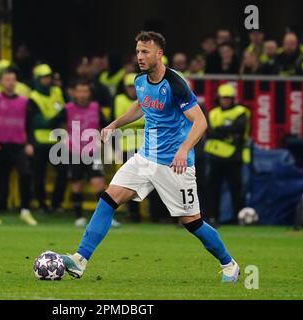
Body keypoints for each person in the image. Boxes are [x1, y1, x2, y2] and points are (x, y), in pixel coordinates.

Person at [59, 31, 240, 283]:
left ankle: (229, 264)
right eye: (138, 52)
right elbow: (140, 106)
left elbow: (200, 122)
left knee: (192, 223)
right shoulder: (140, 80)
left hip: (174, 165)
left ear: (159, 53)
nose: (140, 57)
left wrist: (184, 148)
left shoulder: (176, 84)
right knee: (108, 199)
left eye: (145, 52)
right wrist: (115, 124)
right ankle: (80, 260)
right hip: (144, 158)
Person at [51, 79, 120, 228]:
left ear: (89, 93)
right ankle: (79, 217)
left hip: (92, 152)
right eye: (79, 91)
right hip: (73, 152)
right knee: (77, 184)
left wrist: (103, 141)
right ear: (74, 93)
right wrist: (62, 138)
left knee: (99, 184)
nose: (82, 94)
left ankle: (106, 218)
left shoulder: (95, 108)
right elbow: (54, 124)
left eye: (85, 91)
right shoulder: (68, 108)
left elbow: (106, 125)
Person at [0, 68, 37, 226]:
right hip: (0, 145)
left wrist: (29, 143)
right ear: (1, 82)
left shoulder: (23, 101)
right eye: (7, 79)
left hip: (18, 145)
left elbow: (29, 124)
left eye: (12, 79)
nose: (10, 82)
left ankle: (25, 211)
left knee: (26, 174)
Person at [204, 84, 250, 227]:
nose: (226, 101)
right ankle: (213, 218)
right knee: (213, 189)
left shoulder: (240, 111)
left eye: (229, 98)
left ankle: (238, 217)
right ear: (219, 98)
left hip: (233, 156)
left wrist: (220, 131)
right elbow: (210, 132)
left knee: (236, 188)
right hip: (214, 155)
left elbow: (239, 129)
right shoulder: (213, 113)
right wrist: (227, 133)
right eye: (224, 98)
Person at [29, 63, 68, 213]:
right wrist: (58, 117)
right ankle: (41, 204)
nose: (47, 80)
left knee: (63, 172)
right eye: (44, 78)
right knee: (39, 175)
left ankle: (56, 203)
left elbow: (67, 111)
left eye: (48, 77)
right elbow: (40, 122)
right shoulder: (33, 97)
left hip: (57, 140)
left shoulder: (57, 91)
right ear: (37, 79)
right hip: (40, 141)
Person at [113, 73, 144, 222]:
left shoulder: (147, 99)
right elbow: (116, 122)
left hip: (146, 146)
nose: (132, 89)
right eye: (129, 86)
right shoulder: (119, 100)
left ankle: (159, 215)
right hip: (126, 146)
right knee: (130, 182)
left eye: (134, 86)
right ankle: (133, 214)